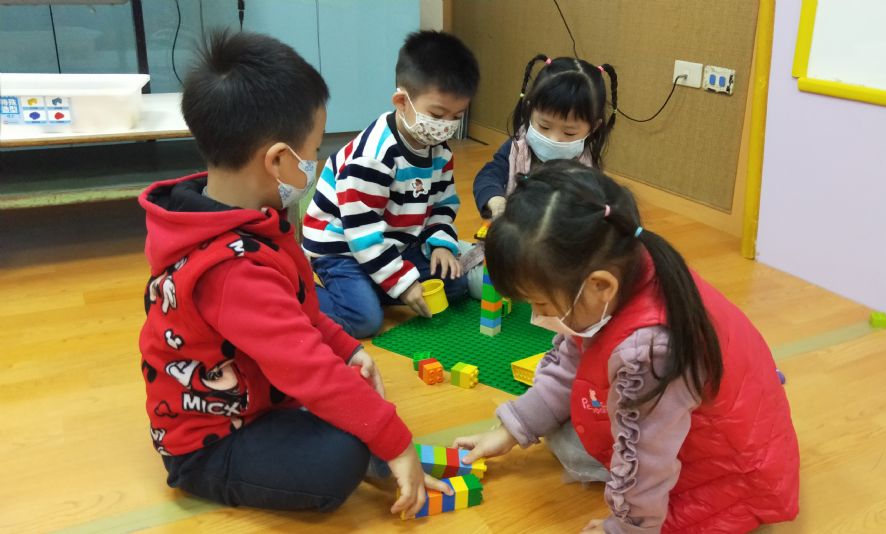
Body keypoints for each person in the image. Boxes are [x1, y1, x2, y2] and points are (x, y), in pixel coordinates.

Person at [138, 30, 449, 517]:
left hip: (258, 396)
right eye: (315, 149)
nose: (317, 161)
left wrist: (347, 348)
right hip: (211, 444)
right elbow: (306, 366)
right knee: (342, 457)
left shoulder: (245, 217)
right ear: (279, 160)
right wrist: (396, 444)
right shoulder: (233, 270)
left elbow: (299, 312)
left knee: (349, 405)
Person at [454, 160, 799, 533]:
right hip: (702, 423)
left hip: (732, 475)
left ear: (601, 285)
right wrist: (512, 429)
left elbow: (647, 458)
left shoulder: (649, 350)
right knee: (565, 426)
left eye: (541, 304)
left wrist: (625, 527)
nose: (538, 316)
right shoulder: (621, 266)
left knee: (572, 446)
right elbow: (570, 361)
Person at [302, 30, 480, 338]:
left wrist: (440, 243)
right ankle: (295, 297)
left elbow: (443, 205)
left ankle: (376, 282)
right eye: (437, 115)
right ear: (401, 101)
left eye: (457, 116)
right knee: (364, 321)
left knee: (455, 283)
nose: (446, 127)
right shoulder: (373, 158)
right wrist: (403, 284)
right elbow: (361, 232)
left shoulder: (439, 150)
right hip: (342, 248)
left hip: (394, 242)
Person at [462, 55, 618, 297]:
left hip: (556, 262)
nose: (554, 138)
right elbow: (489, 175)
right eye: (544, 126)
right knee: (474, 280)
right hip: (511, 251)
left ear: (594, 127)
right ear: (529, 109)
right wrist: (496, 201)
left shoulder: (587, 170)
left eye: (569, 132)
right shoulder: (519, 146)